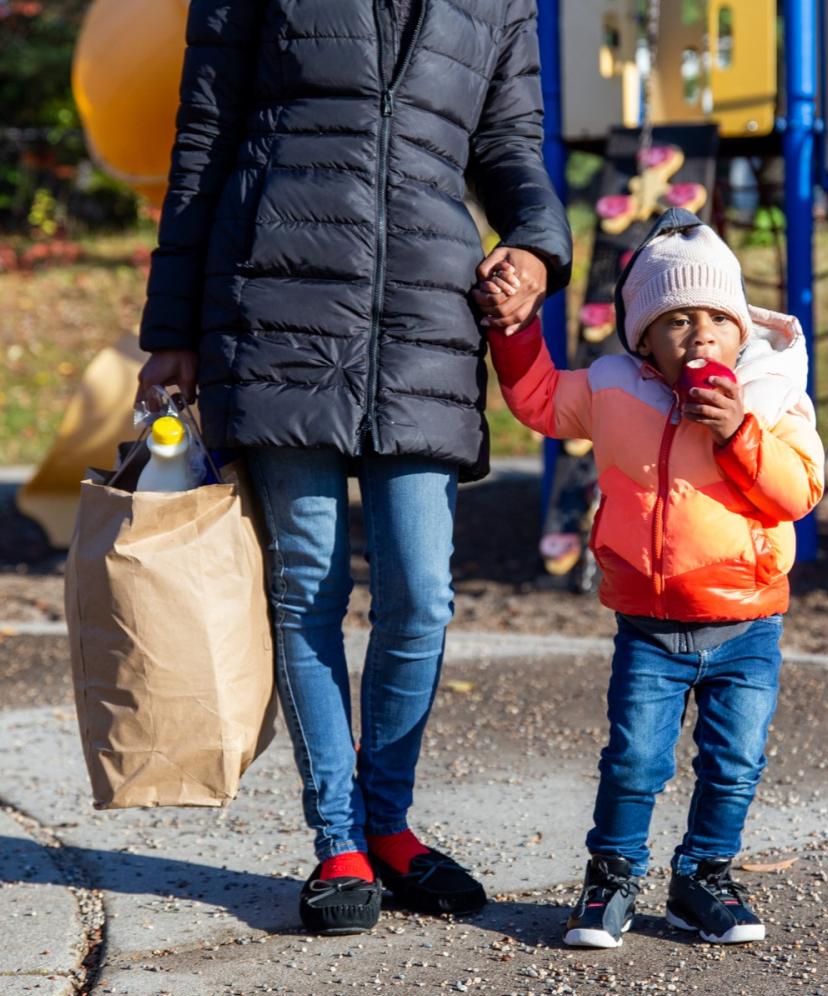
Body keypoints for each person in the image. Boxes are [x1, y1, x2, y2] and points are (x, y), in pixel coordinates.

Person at [136, 0, 571, 935]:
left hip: (424, 318)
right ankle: (338, 839)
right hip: (277, 300)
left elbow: (508, 144)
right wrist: (171, 329)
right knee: (308, 588)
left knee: (421, 593)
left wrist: (535, 245)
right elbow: (206, 133)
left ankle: (389, 825)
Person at [485, 208, 825, 948]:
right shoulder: (615, 390)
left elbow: (797, 492)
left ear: (741, 331)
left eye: (714, 318)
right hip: (649, 624)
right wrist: (513, 330)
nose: (698, 333)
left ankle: (703, 879)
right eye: (674, 321)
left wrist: (737, 430)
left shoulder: (772, 395)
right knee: (635, 760)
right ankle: (610, 876)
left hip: (746, 624)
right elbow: (540, 400)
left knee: (734, 763)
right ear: (645, 340)